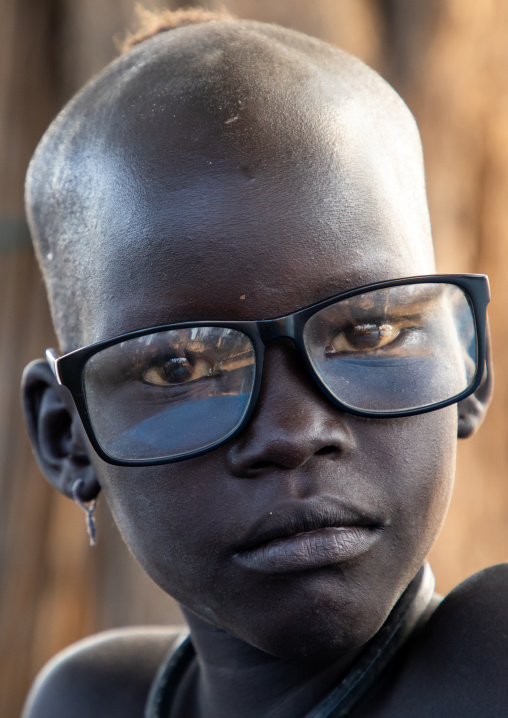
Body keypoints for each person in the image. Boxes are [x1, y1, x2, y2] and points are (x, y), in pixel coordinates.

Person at [20, 8, 507, 718]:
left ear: (468, 357)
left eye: (369, 333)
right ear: (68, 436)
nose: (292, 433)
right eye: (180, 368)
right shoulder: (87, 702)